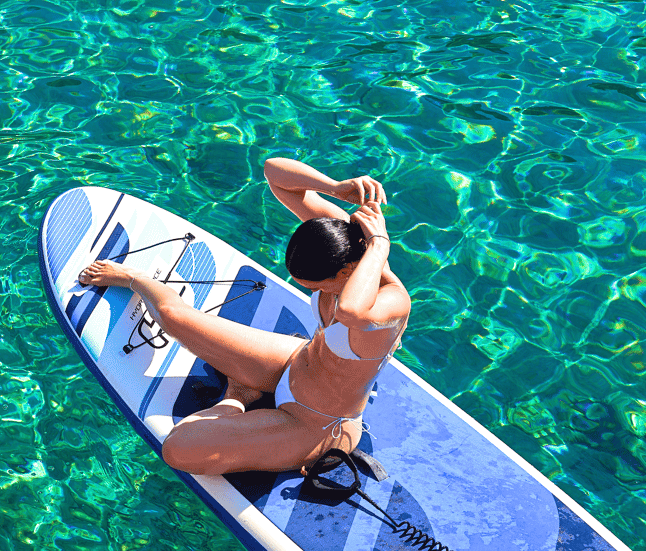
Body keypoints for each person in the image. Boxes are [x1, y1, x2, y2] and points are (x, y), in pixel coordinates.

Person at [78, 156, 411, 475]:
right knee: (172, 315)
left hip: (314, 423)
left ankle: (236, 397)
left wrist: (381, 243)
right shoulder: (346, 243)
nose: (313, 290)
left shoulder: (391, 300)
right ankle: (135, 278)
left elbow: (352, 311)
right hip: (294, 362)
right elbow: (275, 174)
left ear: (347, 271)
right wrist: (336, 187)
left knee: (178, 449)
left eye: (317, 285)